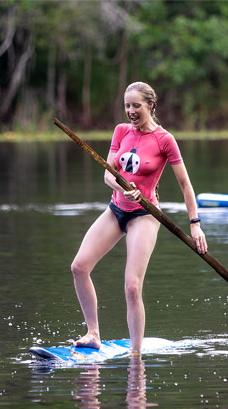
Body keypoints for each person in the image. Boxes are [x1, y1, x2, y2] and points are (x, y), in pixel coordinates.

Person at [70, 81, 207, 355]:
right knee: (79, 267)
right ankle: (93, 333)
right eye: (127, 106)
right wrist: (124, 188)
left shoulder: (164, 140)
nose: (131, 111)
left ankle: (136, 354)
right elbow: (109, 174)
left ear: (151, 106)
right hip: (116, 209)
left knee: (132, 286)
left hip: (145, 215)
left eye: (136, 106)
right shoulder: (121, 131)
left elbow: (185, 185)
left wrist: (195, 225)